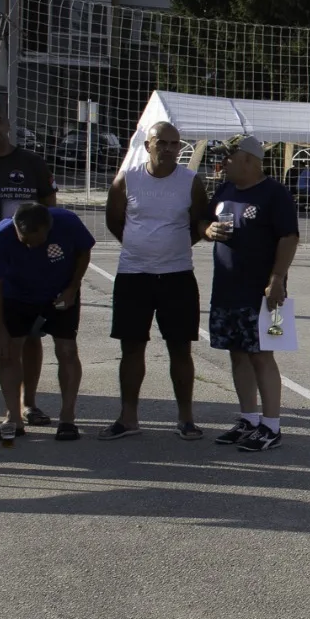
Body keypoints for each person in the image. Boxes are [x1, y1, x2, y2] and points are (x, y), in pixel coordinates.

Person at [100, 121, 211, 440]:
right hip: (133, 276)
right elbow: (114, 220)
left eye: (174, 144)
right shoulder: (127, 179)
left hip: (177, 277)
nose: (168, 149)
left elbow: (198, 223)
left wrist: (172, 248)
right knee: (132, 348)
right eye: (161, 142)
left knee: (180, 349)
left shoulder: (190, 182)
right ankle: (128, 418)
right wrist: (140, 247)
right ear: (147, 145)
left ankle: (186, 419)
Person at [0, 98, 59, 430]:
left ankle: (28, 404)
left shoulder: (32, 163)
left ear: (7, 123)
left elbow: (50, 211)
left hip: (23, 266)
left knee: (29, 336)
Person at [200, 134, 300, 453]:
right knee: (237, 353)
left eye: (228, 157)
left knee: (262, 355)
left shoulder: (274, 193)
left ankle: (271, 426)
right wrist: (208, 230)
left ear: (247, 160)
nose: (223, 162)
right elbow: (204, 221)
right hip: (227, 289)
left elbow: (289, 237)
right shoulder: (225, 190)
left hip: (265, 292)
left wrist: (277, 279)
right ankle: (248, 419)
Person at [0, 203, 95, 445]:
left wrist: (73, 287)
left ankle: (67, 418)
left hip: (59, 293)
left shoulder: (67, 222)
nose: (31, 246)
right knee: (8, 352)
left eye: (37, 241)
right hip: (17, 296)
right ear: (15, 228)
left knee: (67, 350)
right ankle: (14, 418)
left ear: (48, 228)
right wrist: (0, 331)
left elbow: (84, 252)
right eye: (25, 241)